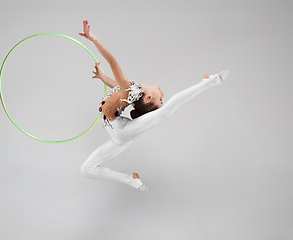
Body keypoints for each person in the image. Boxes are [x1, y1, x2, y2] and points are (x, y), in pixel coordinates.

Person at [79, 20, 229, 192]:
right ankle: (131, 180)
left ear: (149, 98)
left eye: (160, 99)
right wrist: (102, 77)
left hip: (122, 131)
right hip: (118, 133)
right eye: (162, 97)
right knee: (86, 169)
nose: (163, 94)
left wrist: (94, 39)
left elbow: (112, 61)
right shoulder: (131, 90)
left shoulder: (130, 89)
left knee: (165, 113)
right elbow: (117, 87)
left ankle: (208, 82)